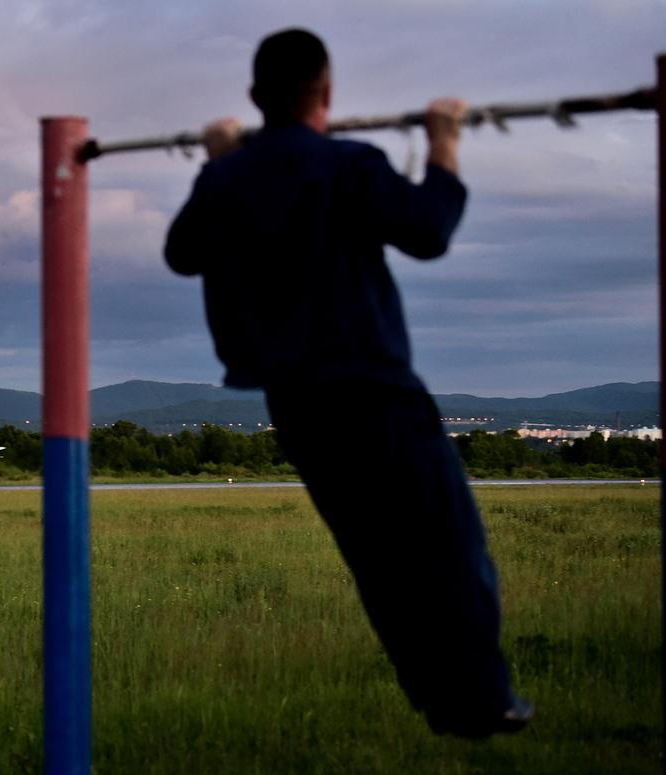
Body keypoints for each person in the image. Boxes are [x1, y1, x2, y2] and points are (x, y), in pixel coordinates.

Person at [164, 27, 532, 738]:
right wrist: (445, 139)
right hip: (375, 391)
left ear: (253, 99)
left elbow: (183, 253)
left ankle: (438, 696)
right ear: (327, 94)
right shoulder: (349, 164)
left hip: (294, 403)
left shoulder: (225, 178)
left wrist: (216, 164)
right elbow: (429, 229)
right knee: (449, 542)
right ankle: (481, 696)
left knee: (376, 557)